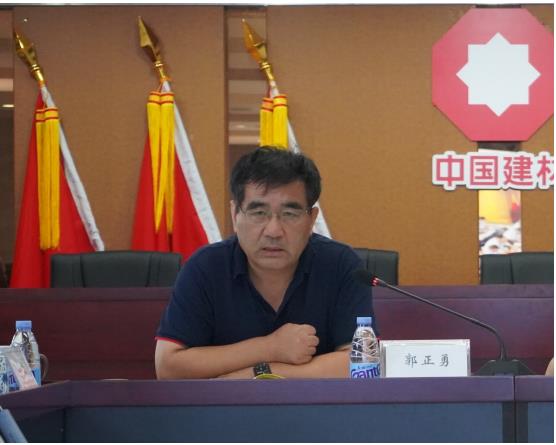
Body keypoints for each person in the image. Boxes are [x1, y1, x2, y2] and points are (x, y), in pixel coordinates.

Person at [155, 146, 377, 379]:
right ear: (235, 214)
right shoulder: (205, 267)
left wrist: (257, 375)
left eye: (290, 214)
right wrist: (270, 347)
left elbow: (363, 362)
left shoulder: (341, 265)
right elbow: (168, 367)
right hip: (227, 404)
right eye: (259, 213)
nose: (273, 231)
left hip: (317, 403)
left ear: (311, 219)